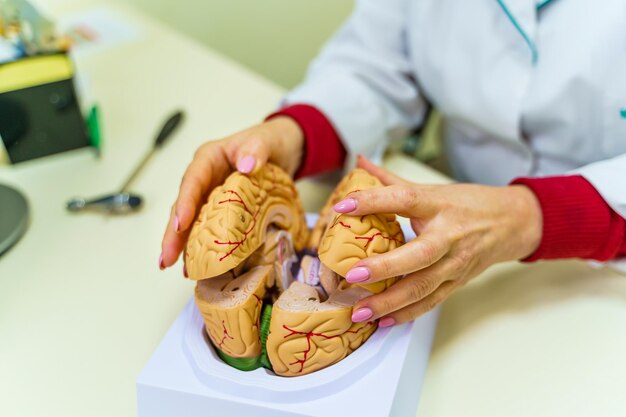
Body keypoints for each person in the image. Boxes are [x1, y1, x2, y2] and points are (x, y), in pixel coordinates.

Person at [160, 0, 626, 328]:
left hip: (601, 290)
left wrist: (532, 216)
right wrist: (295, 135)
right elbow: (377, 63)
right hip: (449, 232)